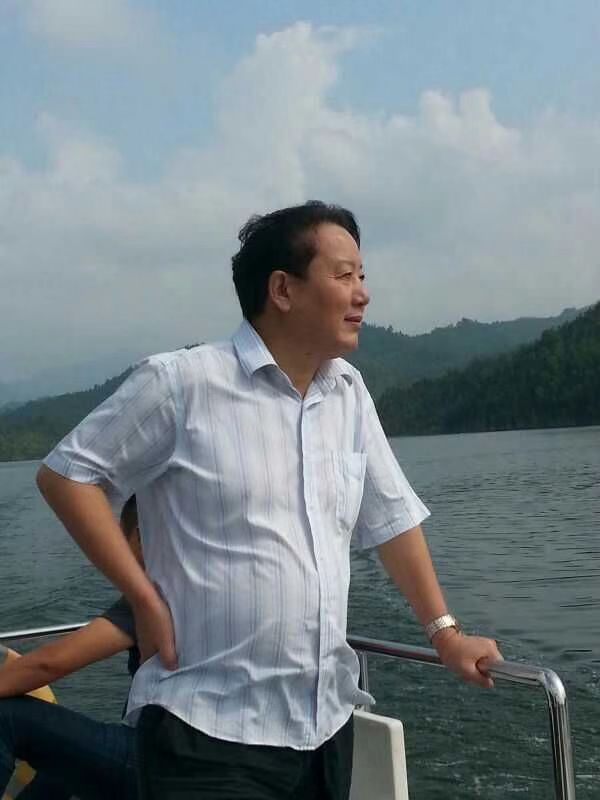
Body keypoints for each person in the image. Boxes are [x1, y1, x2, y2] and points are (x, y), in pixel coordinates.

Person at [36, 201, 502, 800]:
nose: (363, 294)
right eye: (344, 275)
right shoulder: (183, 383)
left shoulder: (349, 393)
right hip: (206, 732)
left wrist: (445, 633)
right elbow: (67, 475)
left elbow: (391, 519)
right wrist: (143, 597)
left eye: (362, 275)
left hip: (325, 728)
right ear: (282, 289)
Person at [0, 495, 141, 800]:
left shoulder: (151, 598)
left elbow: (50, 663)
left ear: (140, 539)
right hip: (228, 757)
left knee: (4, 716)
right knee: (61, 770)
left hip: (157, 760)